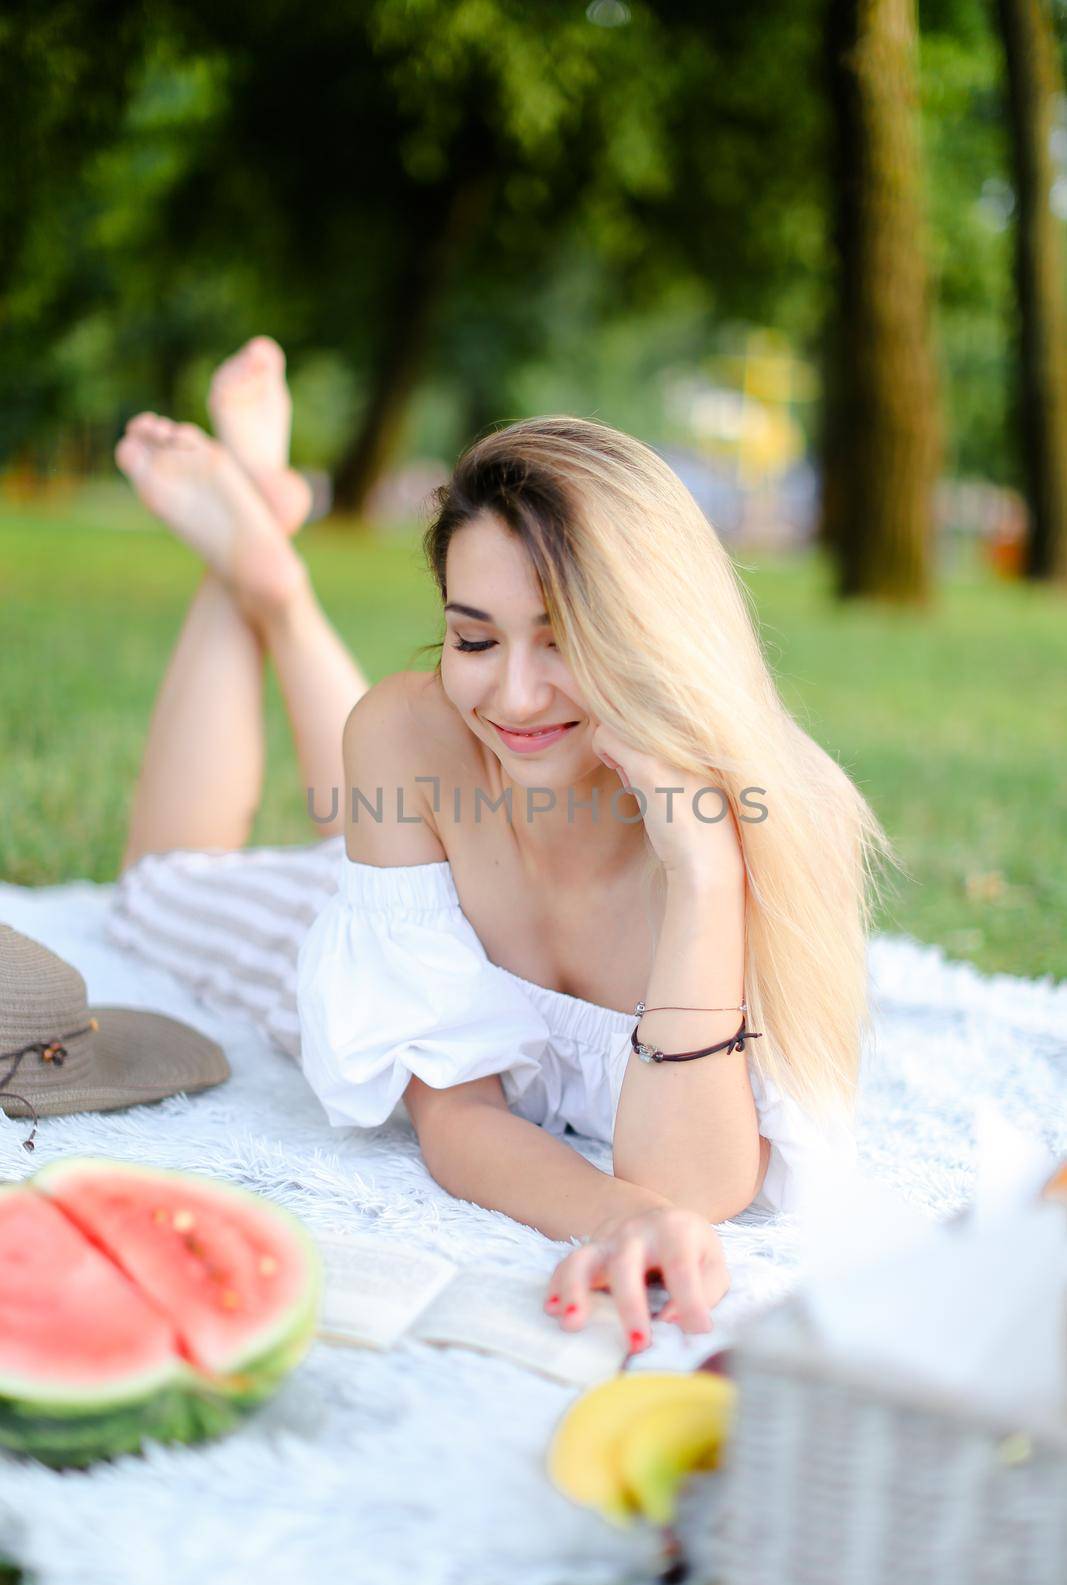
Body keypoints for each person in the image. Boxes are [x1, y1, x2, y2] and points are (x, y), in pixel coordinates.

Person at [106, 337, 898, 1353]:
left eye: (562, 635)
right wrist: (614, 1215)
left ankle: (266, 561)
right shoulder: (411, 729)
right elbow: (458, 1116)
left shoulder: (776, 814)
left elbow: (691, 1184)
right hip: (381, 929)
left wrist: (703, 875)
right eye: (473, 639)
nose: (515, 692)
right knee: (163, 885)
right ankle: (254, 571)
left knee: (384, 783)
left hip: (432, 866)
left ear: (650, 629)